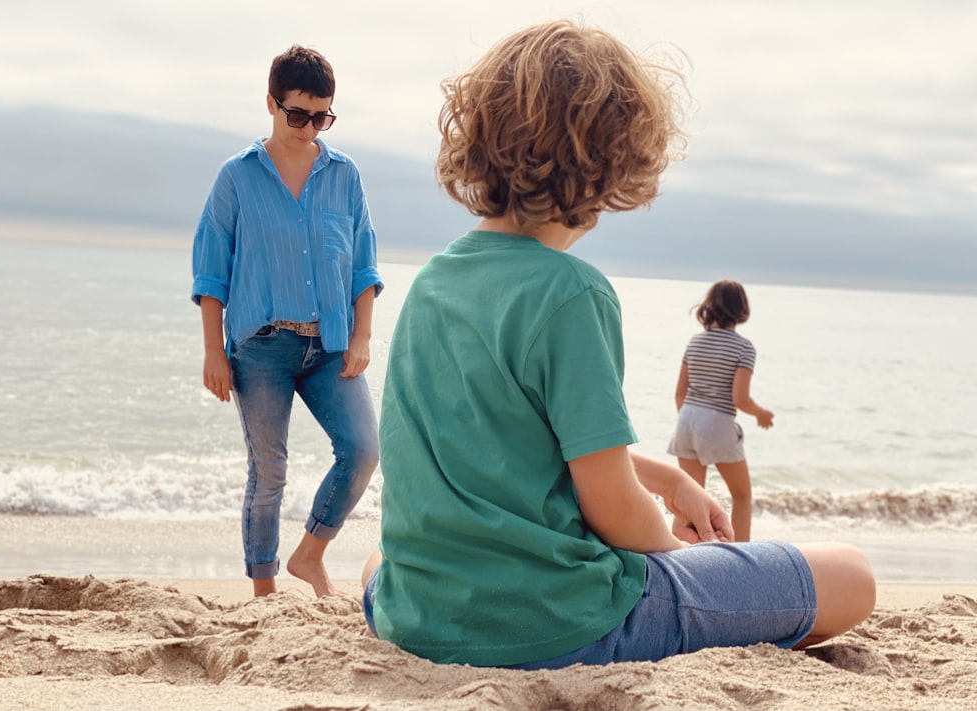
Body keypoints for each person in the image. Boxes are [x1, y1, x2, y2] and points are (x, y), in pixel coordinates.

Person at [361, 19, 874, 669]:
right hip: (556, 622)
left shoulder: (434, 281)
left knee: (380, 558)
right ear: (610, 163)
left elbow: (506, 456)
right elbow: (610, 508)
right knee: (852, 574)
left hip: (417, 614)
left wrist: (665, 478)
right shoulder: (571, 292)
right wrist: (677, 552)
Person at [191, 45, 382, 598]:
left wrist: (363, 336)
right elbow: (211, 270)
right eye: (297, 114)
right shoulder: (237, 177)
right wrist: (213, 351)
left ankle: (310, 554)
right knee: (269, 473)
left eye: (320, 116)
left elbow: (364, 263)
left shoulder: (345, 175)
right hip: (261, 349)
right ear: (271, 104)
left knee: (363, 451)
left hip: (331, 347)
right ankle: (264, 596)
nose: (308, 127)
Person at [667, 279, 773, 542]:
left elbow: (679, 392)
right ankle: (742, 556)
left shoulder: (695, 342)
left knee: (690, 496)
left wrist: (689, 420)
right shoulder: (743, 347)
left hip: (686, 419)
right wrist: (761, 413)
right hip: (717, 422)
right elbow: (740, 398)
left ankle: (681, 551)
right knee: (741, 495)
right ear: (741, 309)